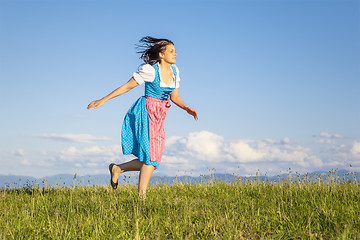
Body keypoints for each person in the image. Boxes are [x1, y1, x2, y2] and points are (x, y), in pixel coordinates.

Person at [87, 36, 198, 198]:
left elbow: (174, 97)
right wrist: (103, 99)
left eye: (175, 51)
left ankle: (117, 168)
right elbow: (127, 86)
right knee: (151, 158)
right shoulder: (150, 70)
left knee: (153, 159)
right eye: (171, 51)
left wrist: (187, 108)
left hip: (160, 115)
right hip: (146, 112)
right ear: (161, 54)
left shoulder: (175, 71)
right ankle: (142, 199)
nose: (176, 54)